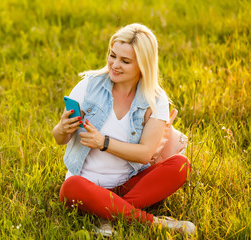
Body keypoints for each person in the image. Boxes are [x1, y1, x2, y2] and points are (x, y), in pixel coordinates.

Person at [52, 23, 196, 236]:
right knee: (71, 187)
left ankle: (106, 212)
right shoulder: (88, 86)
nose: (114, 65)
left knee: (181, 166)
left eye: (125, 61)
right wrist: (62, 128)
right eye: (112, 56)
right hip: (85, 184)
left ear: (143, 65)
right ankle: (155, 222)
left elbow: (145, 154)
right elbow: (59, 139)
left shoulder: (155, 100)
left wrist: (104, 142)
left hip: (127, 184)